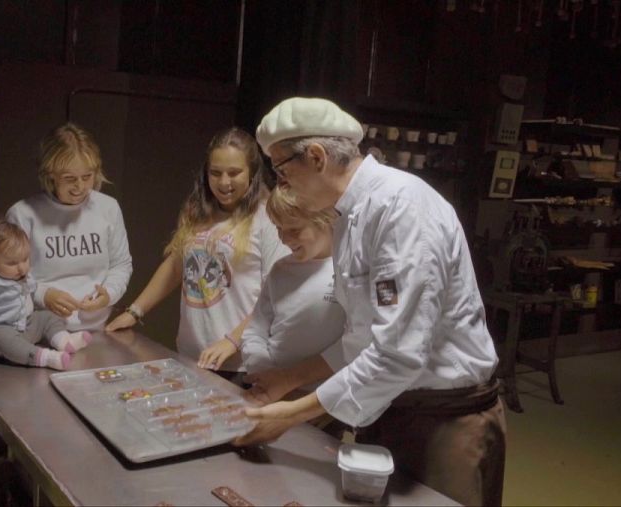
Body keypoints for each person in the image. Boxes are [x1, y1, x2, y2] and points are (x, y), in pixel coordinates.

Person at [234, 97, 506, 507]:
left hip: (444, 418)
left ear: (317, 157)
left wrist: (291, 416)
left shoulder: (401, 208)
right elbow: (361, 339)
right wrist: (287, 381)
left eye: (281, 170)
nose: (280, 184)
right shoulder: (348, 216)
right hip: (392, 408)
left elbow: (398, 355)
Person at [105, 127, 289, 375]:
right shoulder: (197, 212)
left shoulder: (267, 218)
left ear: (253, 173)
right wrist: (134, 311)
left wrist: (232, 341)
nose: (224, 182)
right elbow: (175, 265)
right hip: (191, 356)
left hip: (241, 365)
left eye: (234, 173)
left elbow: (274, 295)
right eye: (216, 173)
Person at [6, 123, 132, 337]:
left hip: (98, 330)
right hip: (40, 331)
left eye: (87, 177)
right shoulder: (23, 214)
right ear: (50, 174)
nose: (80, 187)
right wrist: (44, 295)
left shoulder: (108, 208)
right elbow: (8, 276)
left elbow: (121, 264)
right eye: (69, 179)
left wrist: (108, 293)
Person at [239, 186, 346, 401]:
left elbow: (354, 343)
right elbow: (255, 331)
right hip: (271, 388)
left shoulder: (346, 270)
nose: (284, 239)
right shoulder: (280, 270)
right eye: (279, 228)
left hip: (320, 397)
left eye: (294, 230)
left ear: (325, 220)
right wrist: (265, 373)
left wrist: (291, 383)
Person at [0, 220, 88, 370]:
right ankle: (43, 357)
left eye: (25, 259)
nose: (21, 268)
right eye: (12, 263)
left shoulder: (22, 275)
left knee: (47, 317)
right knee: (2, 340)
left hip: (26, 324)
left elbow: (34, 289)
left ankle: (64, 340)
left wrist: (48, 294)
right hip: (0, 329)